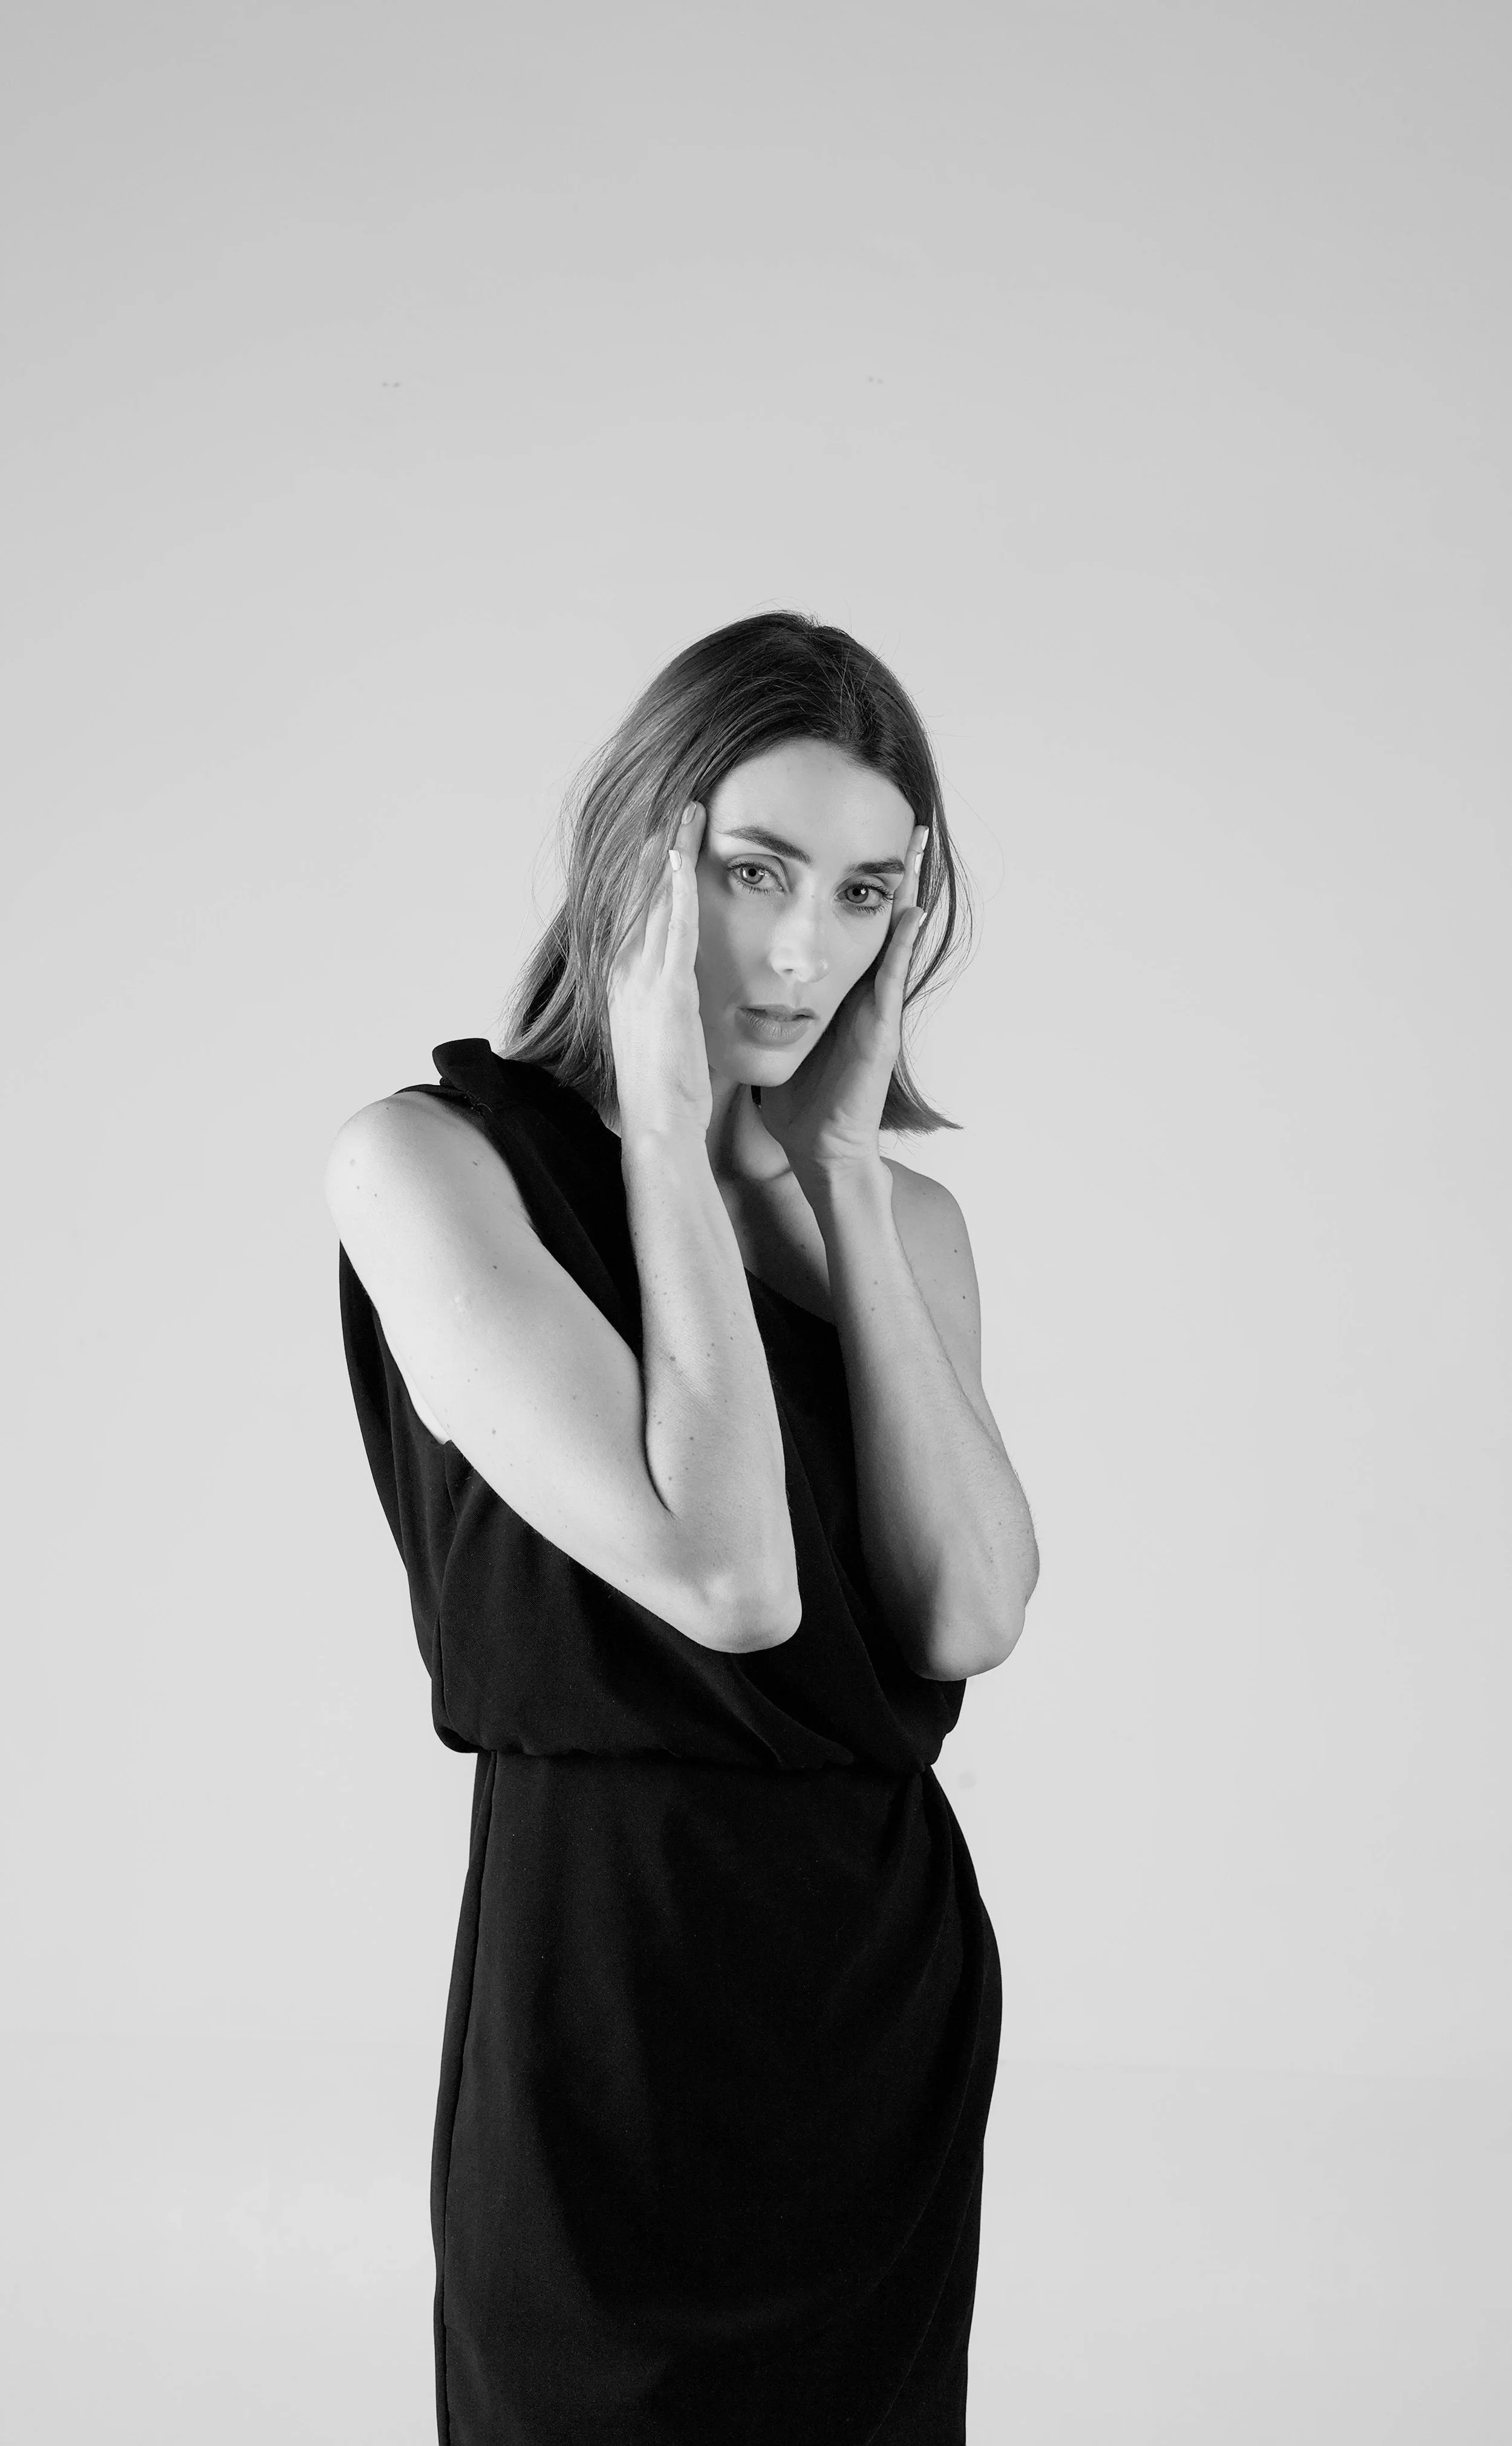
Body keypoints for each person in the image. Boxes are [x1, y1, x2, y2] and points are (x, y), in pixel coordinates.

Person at [325, 610, 1040, 2445]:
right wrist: (659, 1131)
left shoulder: (899, 1229)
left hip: (870, 1986)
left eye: (870, 894)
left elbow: (964, 1611)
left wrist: (845, 1189)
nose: (805, 950)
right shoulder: (431, 1166)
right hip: (609, 1985)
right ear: (639, 859)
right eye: (751, 872)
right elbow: (725, 1579)